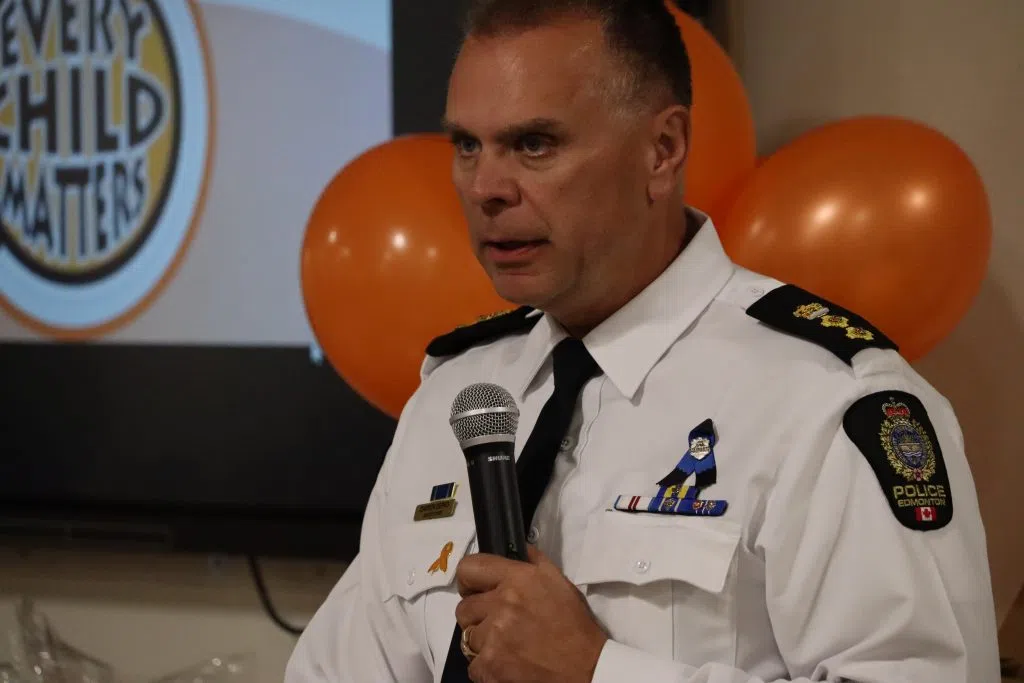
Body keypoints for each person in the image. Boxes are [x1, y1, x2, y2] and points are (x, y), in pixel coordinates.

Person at [284, 1, 1001, 681]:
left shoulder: (825, 402)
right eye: (468, 145)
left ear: (662, 149)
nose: (486, 187)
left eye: (534, 144)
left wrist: (598, 671)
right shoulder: (456, 396)